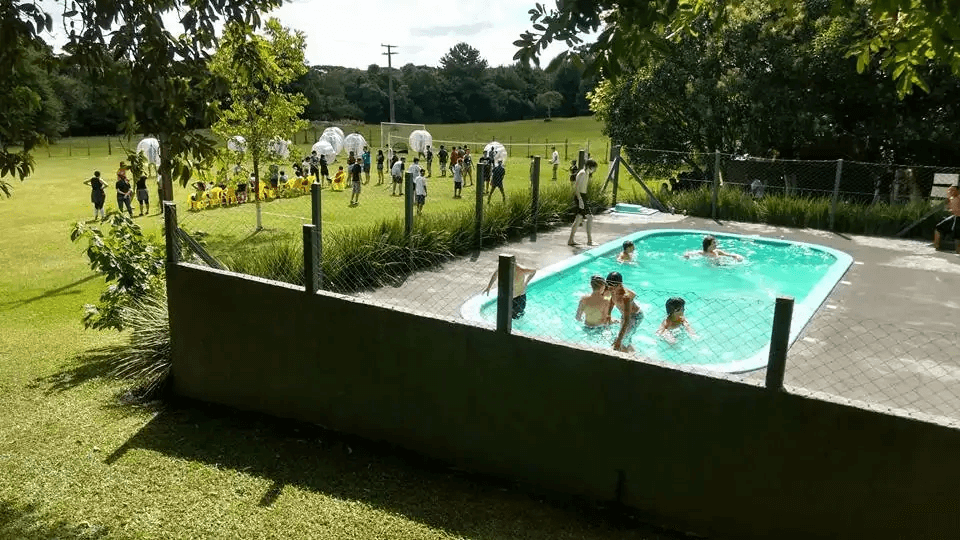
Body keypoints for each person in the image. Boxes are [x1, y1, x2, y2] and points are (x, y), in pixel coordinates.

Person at [604, 272, 642, 352]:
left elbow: (626, 321)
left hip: (635, 317)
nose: (611, 289)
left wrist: (619, 339)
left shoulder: (625, 297)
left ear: (620, 285)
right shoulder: (613, 290)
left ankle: (629, 356)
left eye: (613, 287)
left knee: (622, 341)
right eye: (609, 286)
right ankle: (633, 353)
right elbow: (612, 300)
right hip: (624, 315)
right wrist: (608, 314)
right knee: (625, 339)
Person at [568, 159, 598, 246]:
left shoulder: (586, 173)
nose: (594, 170)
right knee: (590, 217)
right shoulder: (582, 173)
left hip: (583, 196)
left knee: (578, 218)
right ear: (589, 166)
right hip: (580, 196)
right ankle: (589, 240)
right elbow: (576, 187)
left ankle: (571, 240)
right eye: (593, 168)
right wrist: (580, 199)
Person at [934, 186, 960, 253]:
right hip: (954, 216)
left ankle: (958, 252)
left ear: (957, 191)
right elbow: (950, 208)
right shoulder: (951, 198)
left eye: (953, 190)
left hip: (959, 217)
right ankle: (937, 247)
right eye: (950, 190)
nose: (951, 192)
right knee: (938, 227)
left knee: (957, 235)